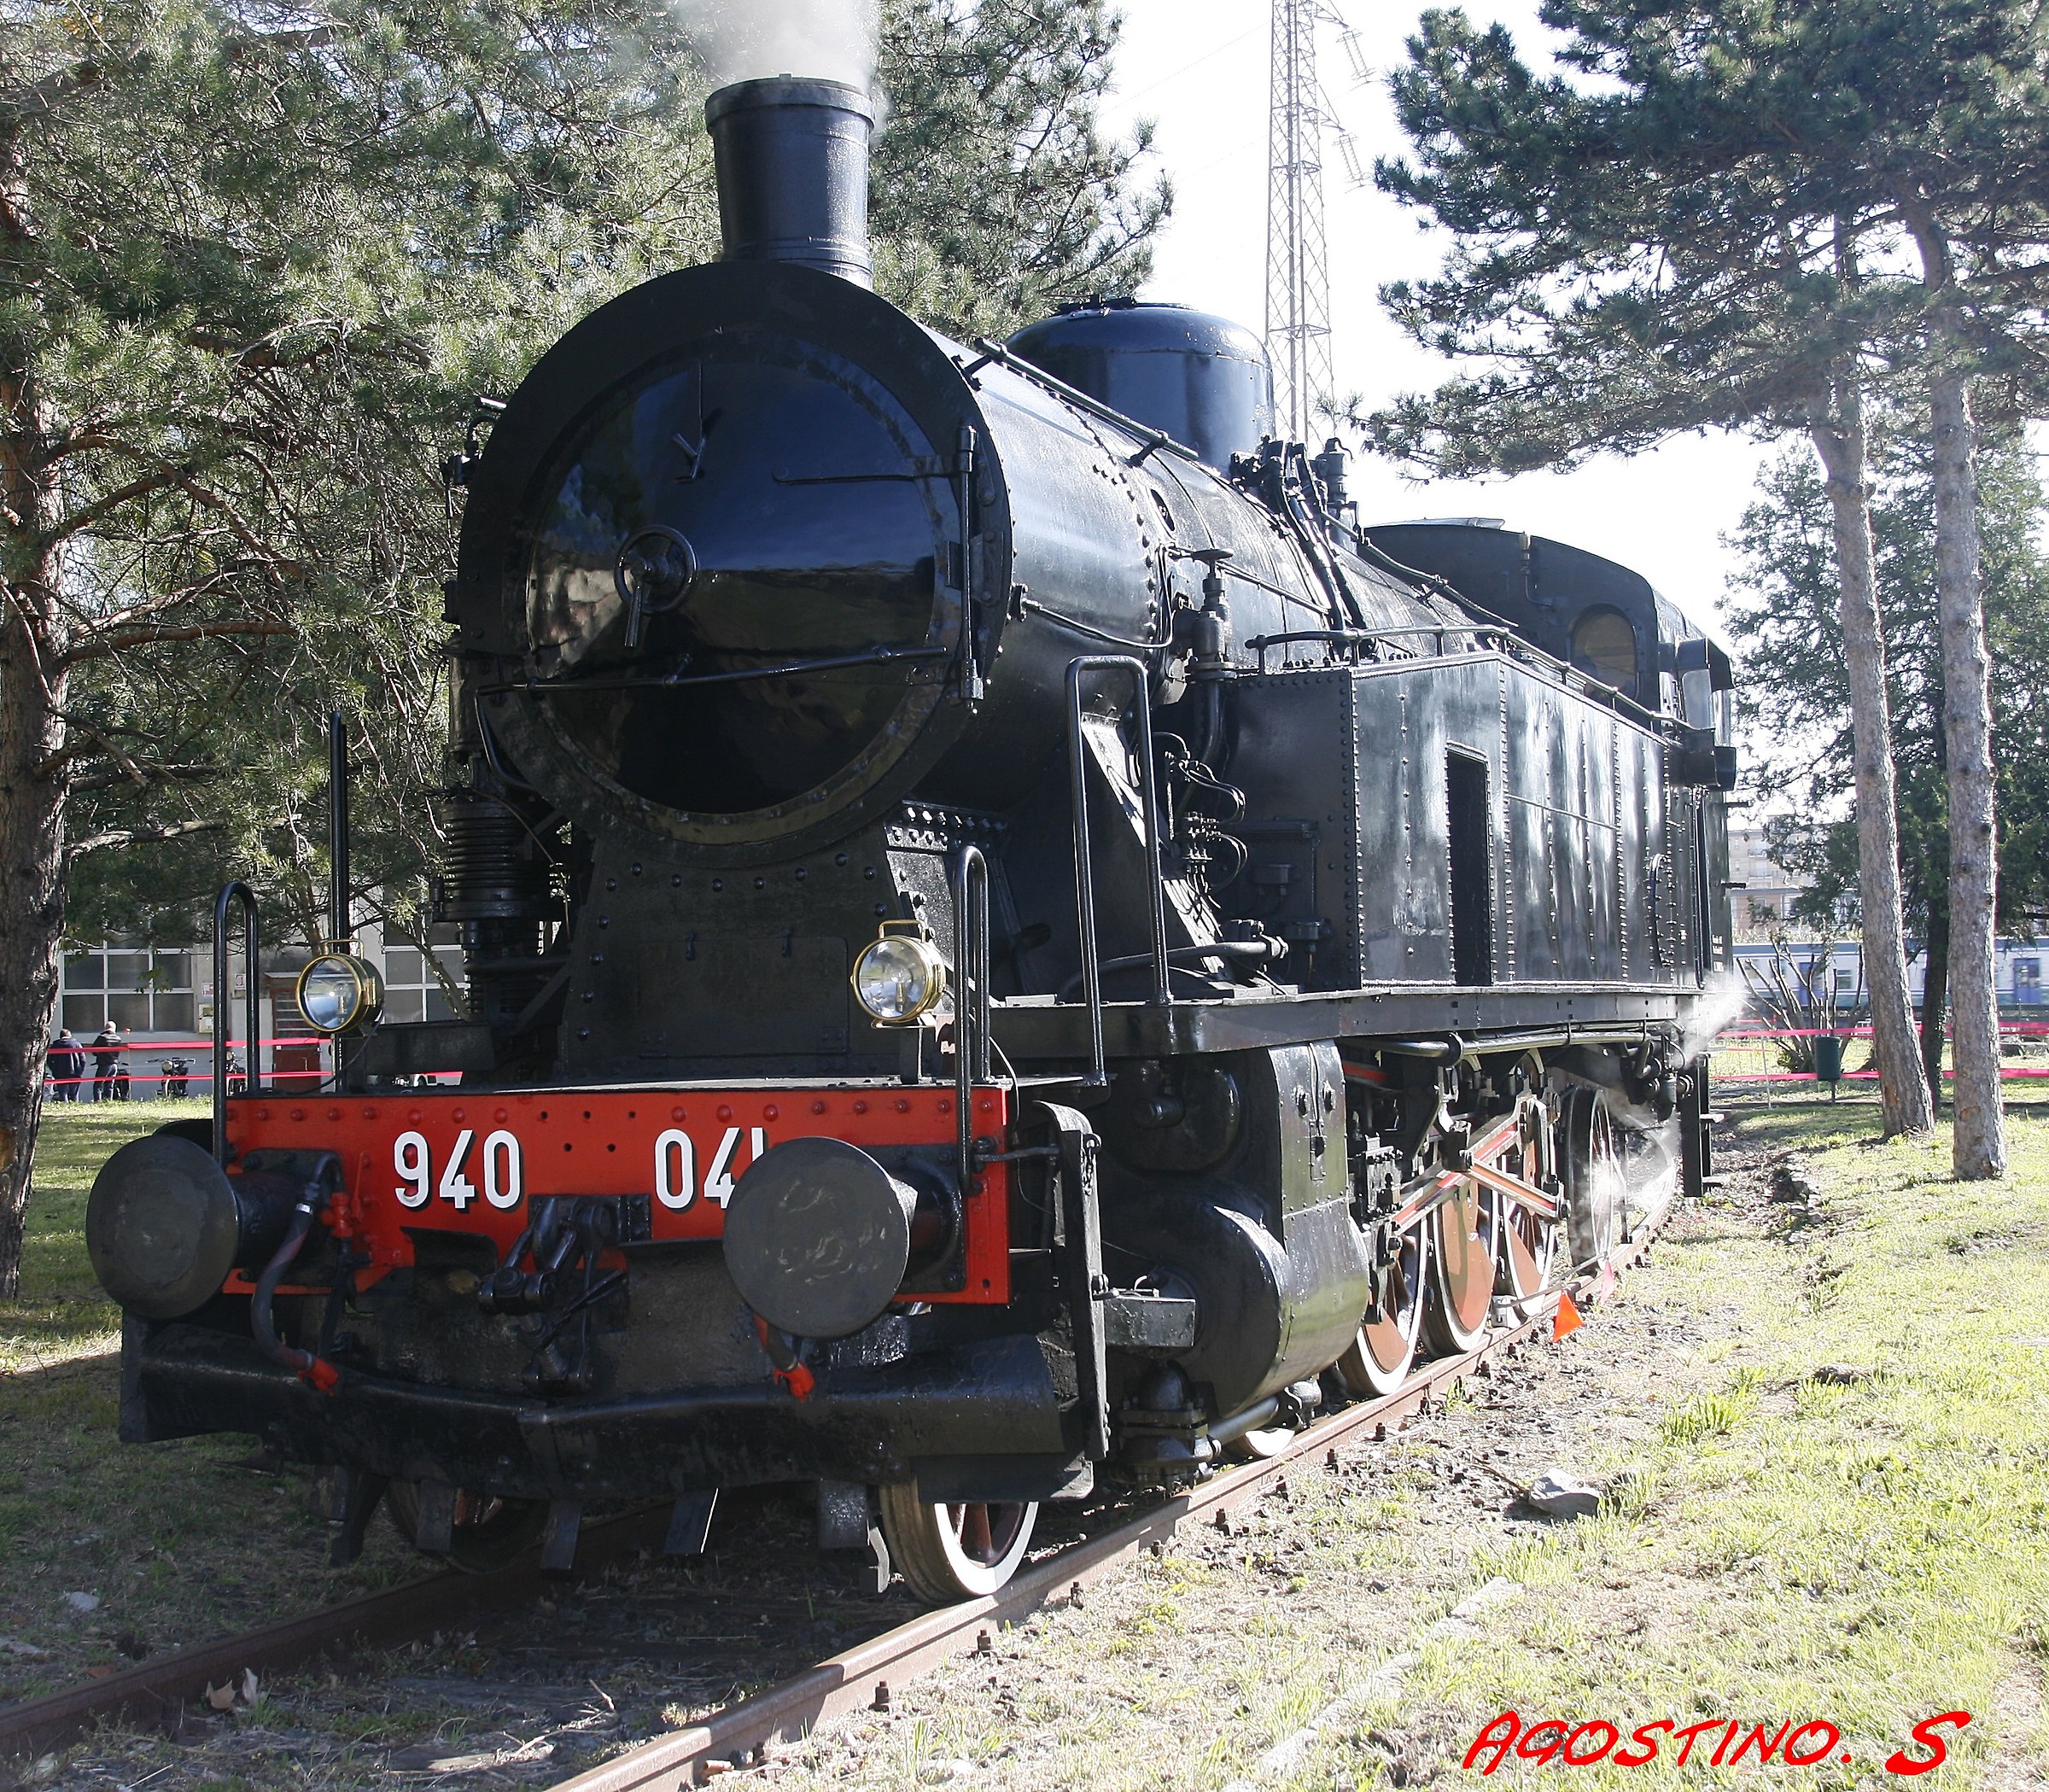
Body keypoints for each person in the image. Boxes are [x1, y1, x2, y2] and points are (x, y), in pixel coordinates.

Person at [46, 1030, 85, 1102]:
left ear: (61, 1036)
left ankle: (65, 1107)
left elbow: (49, 1059)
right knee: (74, 1094)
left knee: (63, 1094)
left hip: (60, 1073)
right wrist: (80, 1070)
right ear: (70, 1036)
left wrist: (54, 1069)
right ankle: (75, 1108)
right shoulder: (77, 1045)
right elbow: (83, 1059)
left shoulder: (55, 1045)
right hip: (75, 1072)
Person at [90, 1022, 124, 1103]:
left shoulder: (102, 1037)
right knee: (110, 1085)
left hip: (104, 1064)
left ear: (105, 1028)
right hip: (114, 1064)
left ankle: (98, 1101)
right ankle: (108, 1101)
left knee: (98, 1084)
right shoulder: (118, 1038)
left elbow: (94, 1050)